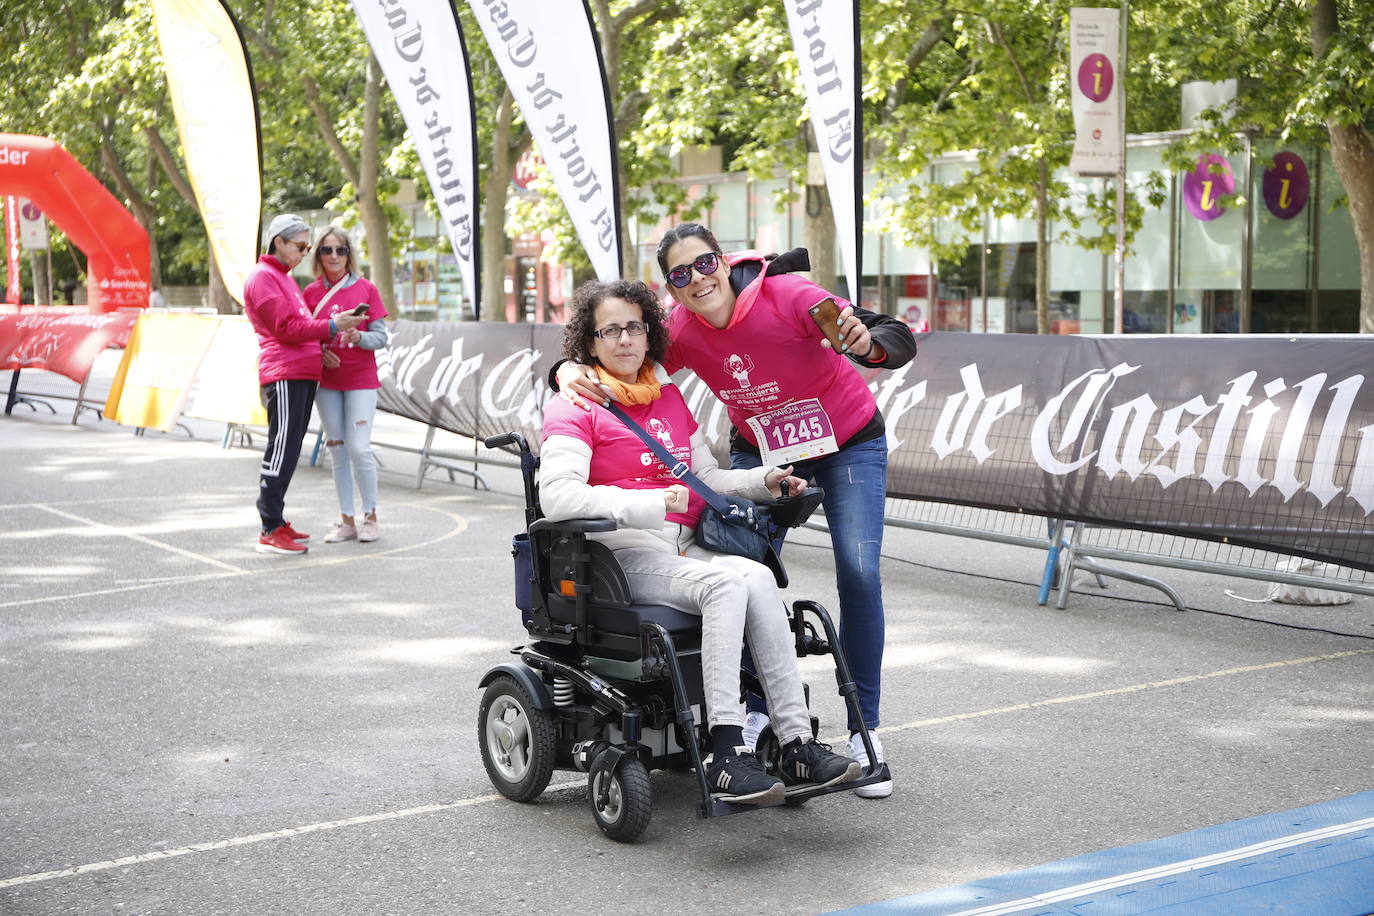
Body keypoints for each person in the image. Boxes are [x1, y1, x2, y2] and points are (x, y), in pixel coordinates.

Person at [556, 223, 917, 798]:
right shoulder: (676, 330)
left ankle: (863, 731)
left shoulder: (788, 294)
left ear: (723, 262)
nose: (697, 279)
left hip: (848, 440)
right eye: (679, 275)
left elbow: (891, 336)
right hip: (766, 450)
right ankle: (753, 718)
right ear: (670, 292)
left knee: (859, 571)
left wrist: (866, 343)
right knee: (744, 566)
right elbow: (614, 353)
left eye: (704, 264)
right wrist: (567, 370)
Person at [243, 214, 365, 555]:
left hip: (299, 372)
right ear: (278, 242)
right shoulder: (264, 278)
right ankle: (269, 526)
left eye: (306, 247)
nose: (304, 253)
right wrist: (331, 326)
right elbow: (286, 329)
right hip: (284, 372)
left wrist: (322, 341)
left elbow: (298, 326)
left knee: (290, 449)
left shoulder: (280, 278)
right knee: (281, 449)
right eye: (301, 246)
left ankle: (277, 520)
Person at [304, 226, 389, 543]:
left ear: (349, 254)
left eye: (340, 250)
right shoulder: (311, 293)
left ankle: (371, 516)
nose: (334, 256)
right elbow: (305, 335)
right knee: (336, 449)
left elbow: (381, 336)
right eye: (327, 250)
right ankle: (346, 520)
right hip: (327, 382)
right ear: (319, 256)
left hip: (361, 380)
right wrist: (321, 352)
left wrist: (360, 336)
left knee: (359, 448)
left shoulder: (366, 288)